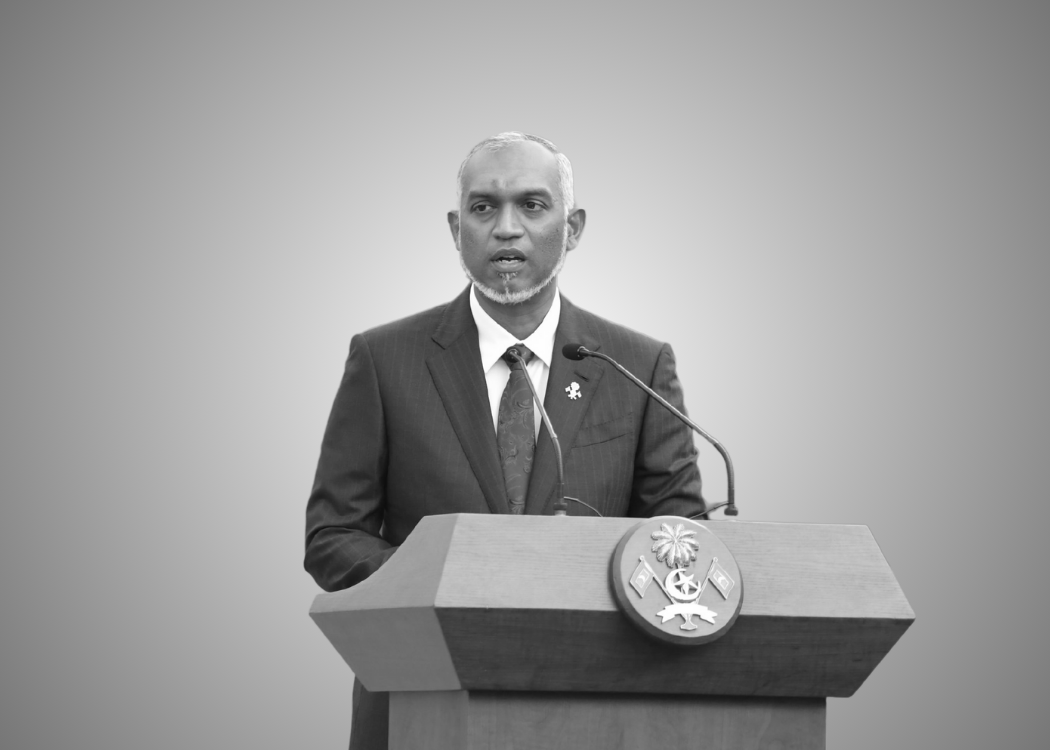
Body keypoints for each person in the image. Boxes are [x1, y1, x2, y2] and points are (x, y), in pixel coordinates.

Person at [305, 132, 706, 750]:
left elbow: (681, 537)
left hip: (597, 704)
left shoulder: (636, 366)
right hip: (421, 699)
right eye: (483, 207)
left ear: (573, 228)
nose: (507, 228)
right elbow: (332, 536)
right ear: (456, 228)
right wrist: (442, 589)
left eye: (532, 205)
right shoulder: (384, 360)